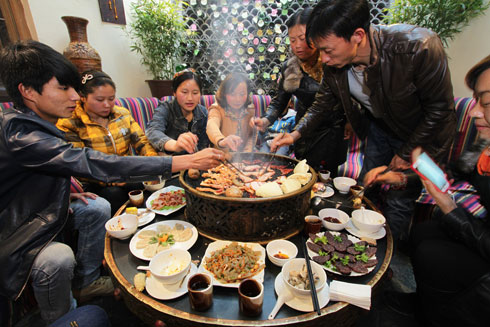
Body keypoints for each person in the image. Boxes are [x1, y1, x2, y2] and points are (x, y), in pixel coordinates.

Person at [0, 40, 223, 325]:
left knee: (94, 209)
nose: (73, 96)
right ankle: (65, 319)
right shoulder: (21, 134)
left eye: (74, 88)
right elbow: (91, 162)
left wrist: (63, 196)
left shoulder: (38, 123)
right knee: (58, 258)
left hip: (43, 211)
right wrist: (183, 161)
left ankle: (89, 282)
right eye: (64, 88)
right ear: (28, 91)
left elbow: (32, 179)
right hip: (15, 236)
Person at [272, 0, 457, 241]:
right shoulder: (335, 62)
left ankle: (390, 262)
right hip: (379, 129)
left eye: (328, 50)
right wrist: (294, 134)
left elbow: (440, 110)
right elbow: (323, 102)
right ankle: (362, 245)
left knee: (400, 197)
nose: (324, 59)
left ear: (358, 35)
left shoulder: (417, 47)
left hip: (422, 137)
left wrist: (406, 152)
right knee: (367, 190)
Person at [385, 55, 490, 326]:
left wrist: (451, 209)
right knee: (424, 231)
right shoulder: (485, 146)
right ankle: (424, 305)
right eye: (477, 100)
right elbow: (451, 176)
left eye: (486, 102)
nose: (475, 111)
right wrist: (403, 176)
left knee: (432, 255)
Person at [251, 8, 347, 171]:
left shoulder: (332, 61)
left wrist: (350, 121)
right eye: (292, 40)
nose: (297, 45)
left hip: (332, 131)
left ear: (315, 34)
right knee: (303, 174)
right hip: (303, 131)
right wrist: (265, 120)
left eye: (302, 39)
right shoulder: (291, 68)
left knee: (326, 179)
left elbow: (347, 99)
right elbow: (279, 101)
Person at [57, 70, 158, 215]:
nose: (107, 105)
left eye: (111, 99)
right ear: (83, 97)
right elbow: (80, 163)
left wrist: (153, 164)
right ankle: (121, 232)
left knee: (146, 184)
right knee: (113, 193)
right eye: (99, 100)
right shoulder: (70, 123)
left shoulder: (122, 114)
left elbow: (141, 141)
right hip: (95, 180)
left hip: (126, 172)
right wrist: (111, 179)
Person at [146, 68, 209, 155]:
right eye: (184, 92)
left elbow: (203, 145)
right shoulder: (165, 108)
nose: (190, 98)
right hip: (170, 163)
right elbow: (153, 131)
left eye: (195, 93)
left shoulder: (203, 113)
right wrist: (175, 145)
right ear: (174, 93)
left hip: (195, 163)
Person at [207, 72, 256, 152]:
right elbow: (211, 125)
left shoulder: (250, 109)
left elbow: (252, 134)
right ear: (224, 94)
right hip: (221, 157)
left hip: (244, 158)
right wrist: (222, 140)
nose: (237, 99)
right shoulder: (217, 108)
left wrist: (247, 153)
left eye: (242, 94)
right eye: (232, 94)